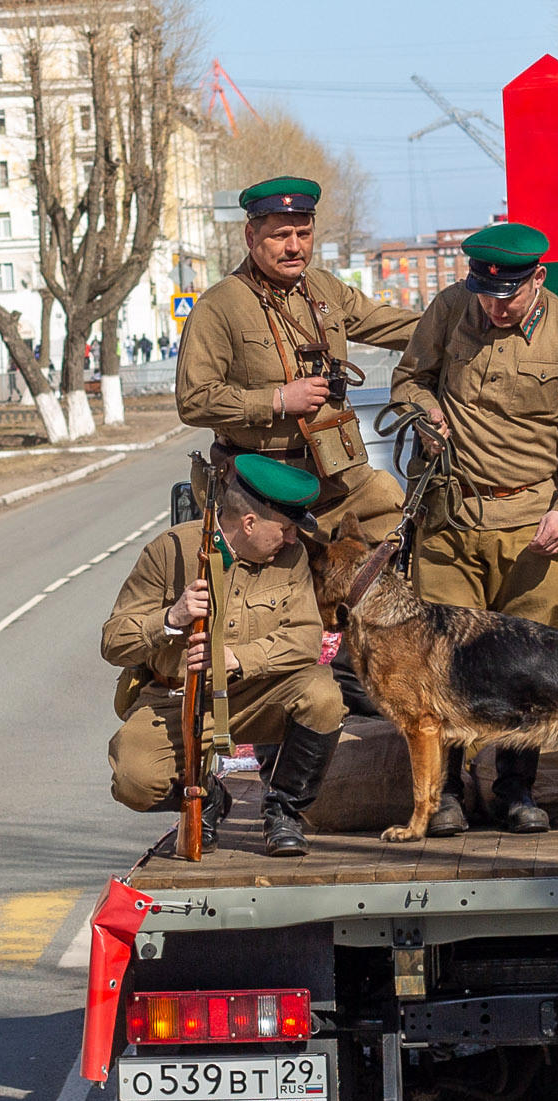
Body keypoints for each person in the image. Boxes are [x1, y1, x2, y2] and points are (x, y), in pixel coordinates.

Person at [388, 221, 558, 835]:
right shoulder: (450, 308)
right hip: (451, 518)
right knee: (443, 661)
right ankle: (444, 795)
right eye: (485, 293)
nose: (494, 305)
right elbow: (408, 378)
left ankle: (517, 790)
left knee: (530, 662)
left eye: (508, 295)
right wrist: (425, 408)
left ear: (537, 279)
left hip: (532, 527)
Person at [176, 175, 424, 719]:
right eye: (281, 234)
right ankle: (274, 704)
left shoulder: (325, 292)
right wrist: (276, 400)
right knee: (273, 596)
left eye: (303, 233)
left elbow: (391, 323)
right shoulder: (219, 308)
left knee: (393, 523)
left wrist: (463, 316)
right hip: (262, 485)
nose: (294, 247)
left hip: (335, 474)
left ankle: (367, 667)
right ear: (251, 235)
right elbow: (193, 401)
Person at [102, 454, 345, 857]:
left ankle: (283, 810)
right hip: (176, 698)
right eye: (284, 529)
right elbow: (113, 642)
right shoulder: (171, 551)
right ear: (249, 523)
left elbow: (305, 639)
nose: (290, 539)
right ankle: (208, 797)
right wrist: (170, 618)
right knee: (134, 781)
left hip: (254, 695)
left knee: (322, 696)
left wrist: (238, 658)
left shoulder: (291, 558)